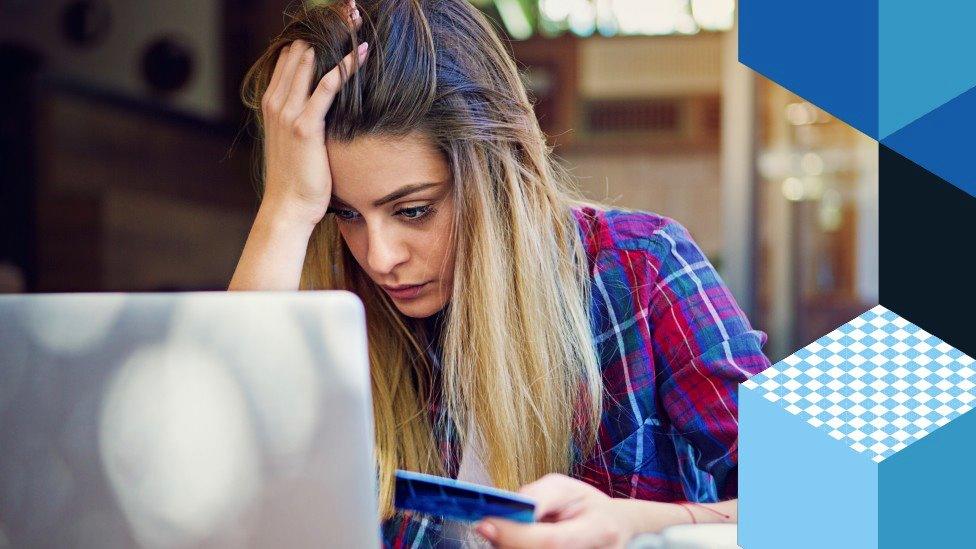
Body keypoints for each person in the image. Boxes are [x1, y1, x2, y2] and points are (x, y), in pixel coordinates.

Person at [229, 1, 771, 547]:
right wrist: (286, 207)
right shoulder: (340, 305)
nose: (379, 257)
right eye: (345, 214)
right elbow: (223, 493)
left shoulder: (641, 267)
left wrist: (636, 524)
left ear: (497, 173)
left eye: (414, 211)